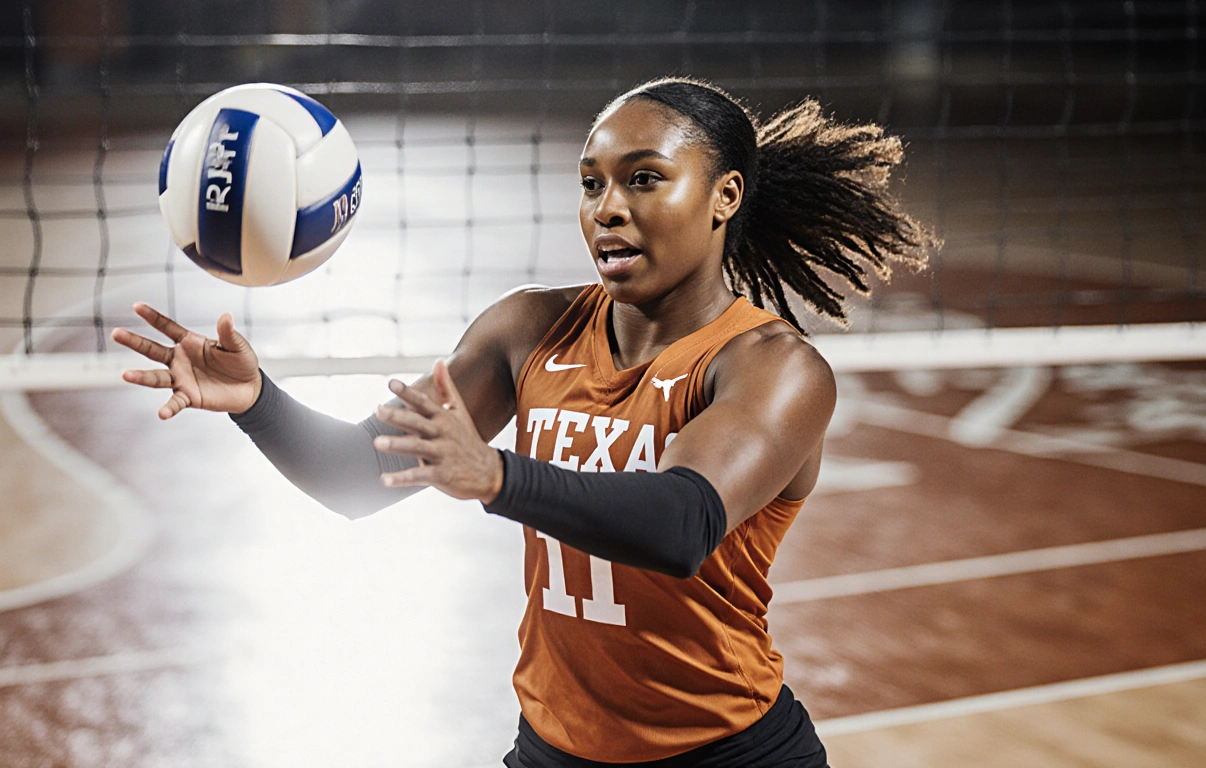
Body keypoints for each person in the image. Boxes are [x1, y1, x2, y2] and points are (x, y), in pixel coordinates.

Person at [112, 77, 935, 767]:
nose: (608, 208)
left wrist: (497, 475)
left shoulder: (773, 368)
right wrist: (257, 403)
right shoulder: (528, 330)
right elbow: (361, 477)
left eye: (644, 179)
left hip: (725, 753)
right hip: (553, 748)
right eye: (592, 183)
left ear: (725, 195)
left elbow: (682, 524)